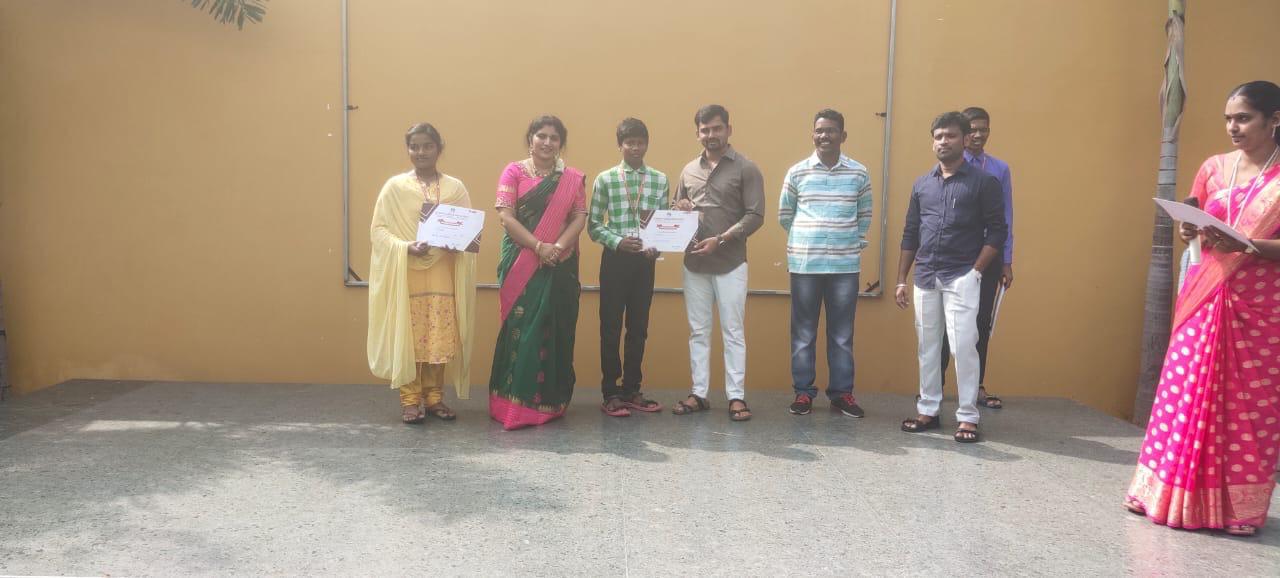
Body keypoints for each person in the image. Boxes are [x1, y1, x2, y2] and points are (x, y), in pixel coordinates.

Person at [1125, 80, 1280, 536]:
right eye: (1228, 119)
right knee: (1184, 391)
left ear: (1274, 120)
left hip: (1259, 309)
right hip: (1204, 295)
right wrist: (1189, 232)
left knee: (1247, 404)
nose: (1233, 127)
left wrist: (1247, 245)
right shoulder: (1214, 168)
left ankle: (1238, 508)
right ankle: (1160, 493)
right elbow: (1191, 232)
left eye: (1244, 118)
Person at [897, 111, 1006, 443]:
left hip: (962, 276)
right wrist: (901, 279)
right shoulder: (922, 184)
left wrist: (976, 271)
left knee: (963, 347)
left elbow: (998, 231)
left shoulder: (984, 182)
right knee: (928, 347)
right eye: (938, 136)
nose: (943, 141)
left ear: (964, 139)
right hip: (926, 277)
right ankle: (928, 409)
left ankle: (968, 416)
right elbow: (911, 232)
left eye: (951, 136)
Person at [367, 122, 477, 424]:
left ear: (439, 148)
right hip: (408, 273)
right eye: (414, 146)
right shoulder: (394, 187)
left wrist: (458, 243)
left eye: (427, 145)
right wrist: (405, 247)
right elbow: (379, 230)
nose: (421, 152)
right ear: (408, 149)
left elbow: (468, 230)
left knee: (437, 335)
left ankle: (434, 397)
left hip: (442, 271)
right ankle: (410, 400)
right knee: (411, 337)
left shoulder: (455, 188)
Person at [488, 115, 588, 430]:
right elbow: (506, 217)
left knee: (554, 329)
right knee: (521, 330)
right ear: (530, 139)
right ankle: (512, 404)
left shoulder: (572, 178)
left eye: (554, 138)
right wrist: (538, 246)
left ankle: (549, 403)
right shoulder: (514, 171)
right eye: (541, 136)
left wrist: (556, 247)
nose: (547, 142)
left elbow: (579, 217)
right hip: (521, 260)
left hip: (560, 261)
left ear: (561, 143)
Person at [670, 104, 765, 421]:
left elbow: (755, 215)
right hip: (694, 265)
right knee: (698, 331)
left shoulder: (746, 168)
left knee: (733, 331)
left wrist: (721, 239)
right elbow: (678, 208)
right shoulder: (688, 170)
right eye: (705, 130)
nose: (711, 134)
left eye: (716, 128)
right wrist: (680, 207)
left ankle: (736, 397)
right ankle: (699, 393)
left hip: (730, 263)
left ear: (728, 130)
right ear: (698, 133)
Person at [778, 108, 872, 417]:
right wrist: (808, 239)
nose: (824, 135)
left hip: (845, 267)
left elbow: (865, 215)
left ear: (843, 135)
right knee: (803, 333)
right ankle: (803, 393)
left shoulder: (859, 173)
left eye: (830, 130)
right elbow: (785, 215)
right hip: (806, 265)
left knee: (842, 335)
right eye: (819, 130)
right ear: (813, 135)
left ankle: (842, 394)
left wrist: (851, 242)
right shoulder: (797, 172)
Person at [588, 118, 668, 417]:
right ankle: (610, 392)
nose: (635, 147)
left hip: (645, 261)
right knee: (610, 326)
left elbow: (663, 223)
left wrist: (657, 245)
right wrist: (618, 241)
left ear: (647, 144)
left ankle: (632, 389)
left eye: (640, 142)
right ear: (619, 145)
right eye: (629, 142)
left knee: (639, 327)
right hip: (615, 259)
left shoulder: (660, 179)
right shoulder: (605, 179)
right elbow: (594, 225)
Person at [938, 106, 1013, 409]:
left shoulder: (999, 169)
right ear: (962, 133)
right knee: (946, 322)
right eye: (973, 129)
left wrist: (1006, 260)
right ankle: (936, 385)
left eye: (984, 129)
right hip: (955, 255)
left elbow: (1006, 217)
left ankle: (976, 387)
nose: (978, 135)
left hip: (988, 255)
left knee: (981, 322)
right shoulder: (949, 165)